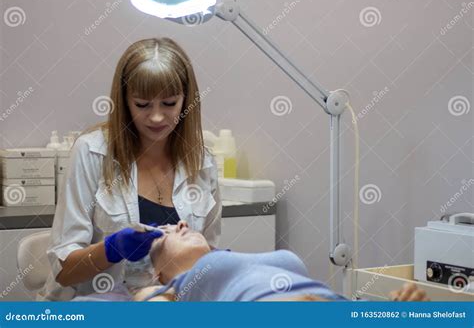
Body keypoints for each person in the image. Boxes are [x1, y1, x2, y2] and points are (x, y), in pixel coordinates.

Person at [38, 38, 221, 301]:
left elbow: (206, 255)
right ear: (124, 101)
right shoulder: (92, 153)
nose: (157, 117)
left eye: (169, 103)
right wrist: (110, 249)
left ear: (186, 100)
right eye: (142, 104)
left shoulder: (202, 163)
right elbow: (63, 271)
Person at [132, 221, 429, 302]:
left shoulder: (244, 259)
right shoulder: (166, 290)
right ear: (159, 273)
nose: (181, 224)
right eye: (166, 232)